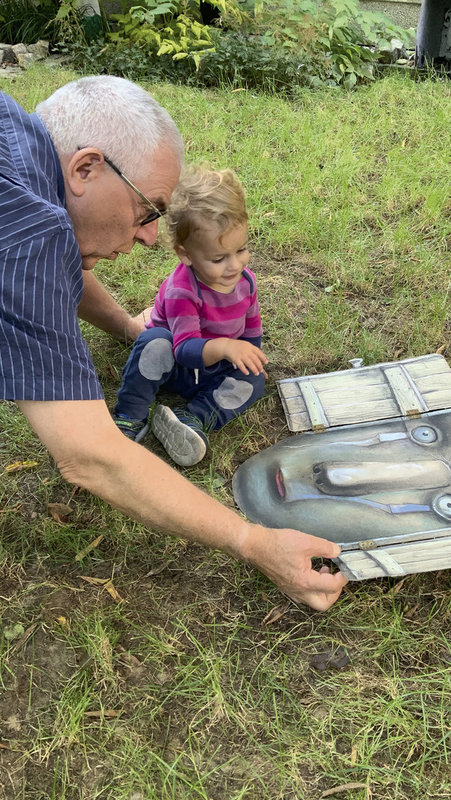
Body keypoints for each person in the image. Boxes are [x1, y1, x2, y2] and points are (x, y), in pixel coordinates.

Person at [0, 75, 347, 610]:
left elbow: (56, 257)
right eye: (148, 211)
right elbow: (90, 456)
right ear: (86, 167)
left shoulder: (17, 131)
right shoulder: (30, 233)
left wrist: (125, 325)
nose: (146, 237)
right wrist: (252, 541)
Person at [113, 165, 267, 468]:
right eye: (219, 258)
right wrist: (225, 347)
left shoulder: (245, 282)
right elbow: (183, 350)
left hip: (213, 369)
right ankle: (130, 415)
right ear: (186, 254)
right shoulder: (182, 290)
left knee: (254, 381)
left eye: (241, 250)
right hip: (173, 366)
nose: (234, 266)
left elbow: (251, 329)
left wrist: (251, 356)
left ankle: (193, 418)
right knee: (154, 341)